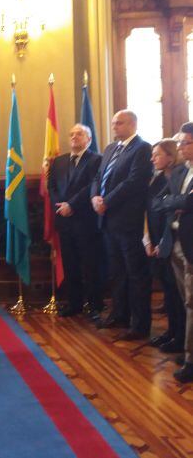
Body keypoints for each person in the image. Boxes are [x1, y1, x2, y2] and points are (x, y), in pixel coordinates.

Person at [91, 110, 153, 340]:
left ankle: (139, 324)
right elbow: (98, 177)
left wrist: (107, 201)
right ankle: (120, 314)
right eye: (113, 122)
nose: (114, 126)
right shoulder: (110, 149)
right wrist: (94, 197)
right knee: (117, 271)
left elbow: (134, 182)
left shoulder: (142, 148)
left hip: (128, 221)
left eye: (120, 123)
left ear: (133, 124)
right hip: (108, 220)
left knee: (135, 273)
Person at [48, 124, 103, 317]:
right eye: (71, 134)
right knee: (70, 263)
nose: (74, 137)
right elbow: (52, 187)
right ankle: (74, 303)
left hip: (85, 219)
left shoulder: (97, 160)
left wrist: (71, 205)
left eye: (79, 134)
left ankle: (95, 305)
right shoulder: (59, 162)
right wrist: (61, 206)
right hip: (64, 220)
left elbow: (91, 187)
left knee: (90, 264)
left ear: (88, 139)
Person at [159, 123, 193, 383]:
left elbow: (186, 202)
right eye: (180, 143)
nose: (180, 147)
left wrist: (178, 203)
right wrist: (178, 203)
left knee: (191, 303)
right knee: (185, 301)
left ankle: (191, 360)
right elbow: (167, 202)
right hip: (177, 241)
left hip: (190, 246)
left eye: (185, 143)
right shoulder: (183, 171)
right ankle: (187, 349)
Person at [144, 139, 185, 354]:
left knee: (179, 295)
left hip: (171, 240)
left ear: (170, 156)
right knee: (169, 292)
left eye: (157, 155)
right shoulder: (160, 178)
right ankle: (172, 332)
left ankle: (180, 337)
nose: (152, 159)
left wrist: (162, 241)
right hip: (159, 237)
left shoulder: (179, 175)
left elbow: (173, 208)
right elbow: (156, 205)